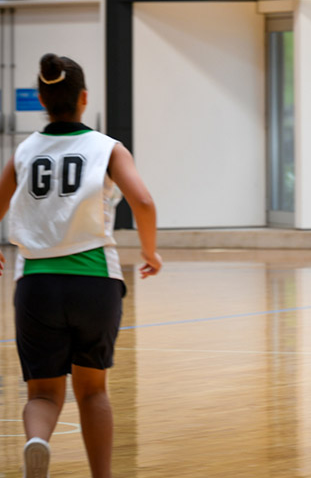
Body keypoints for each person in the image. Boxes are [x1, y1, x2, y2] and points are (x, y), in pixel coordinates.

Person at [0, 53, 162, 478]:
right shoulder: (107, 147)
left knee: (42, 394)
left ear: (41, 99)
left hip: (37, 283)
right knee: (93, 392)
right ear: (84, 98)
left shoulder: (25, 151)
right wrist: (150, 252)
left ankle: (37, 442)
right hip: (94, 282)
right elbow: (143, 202)